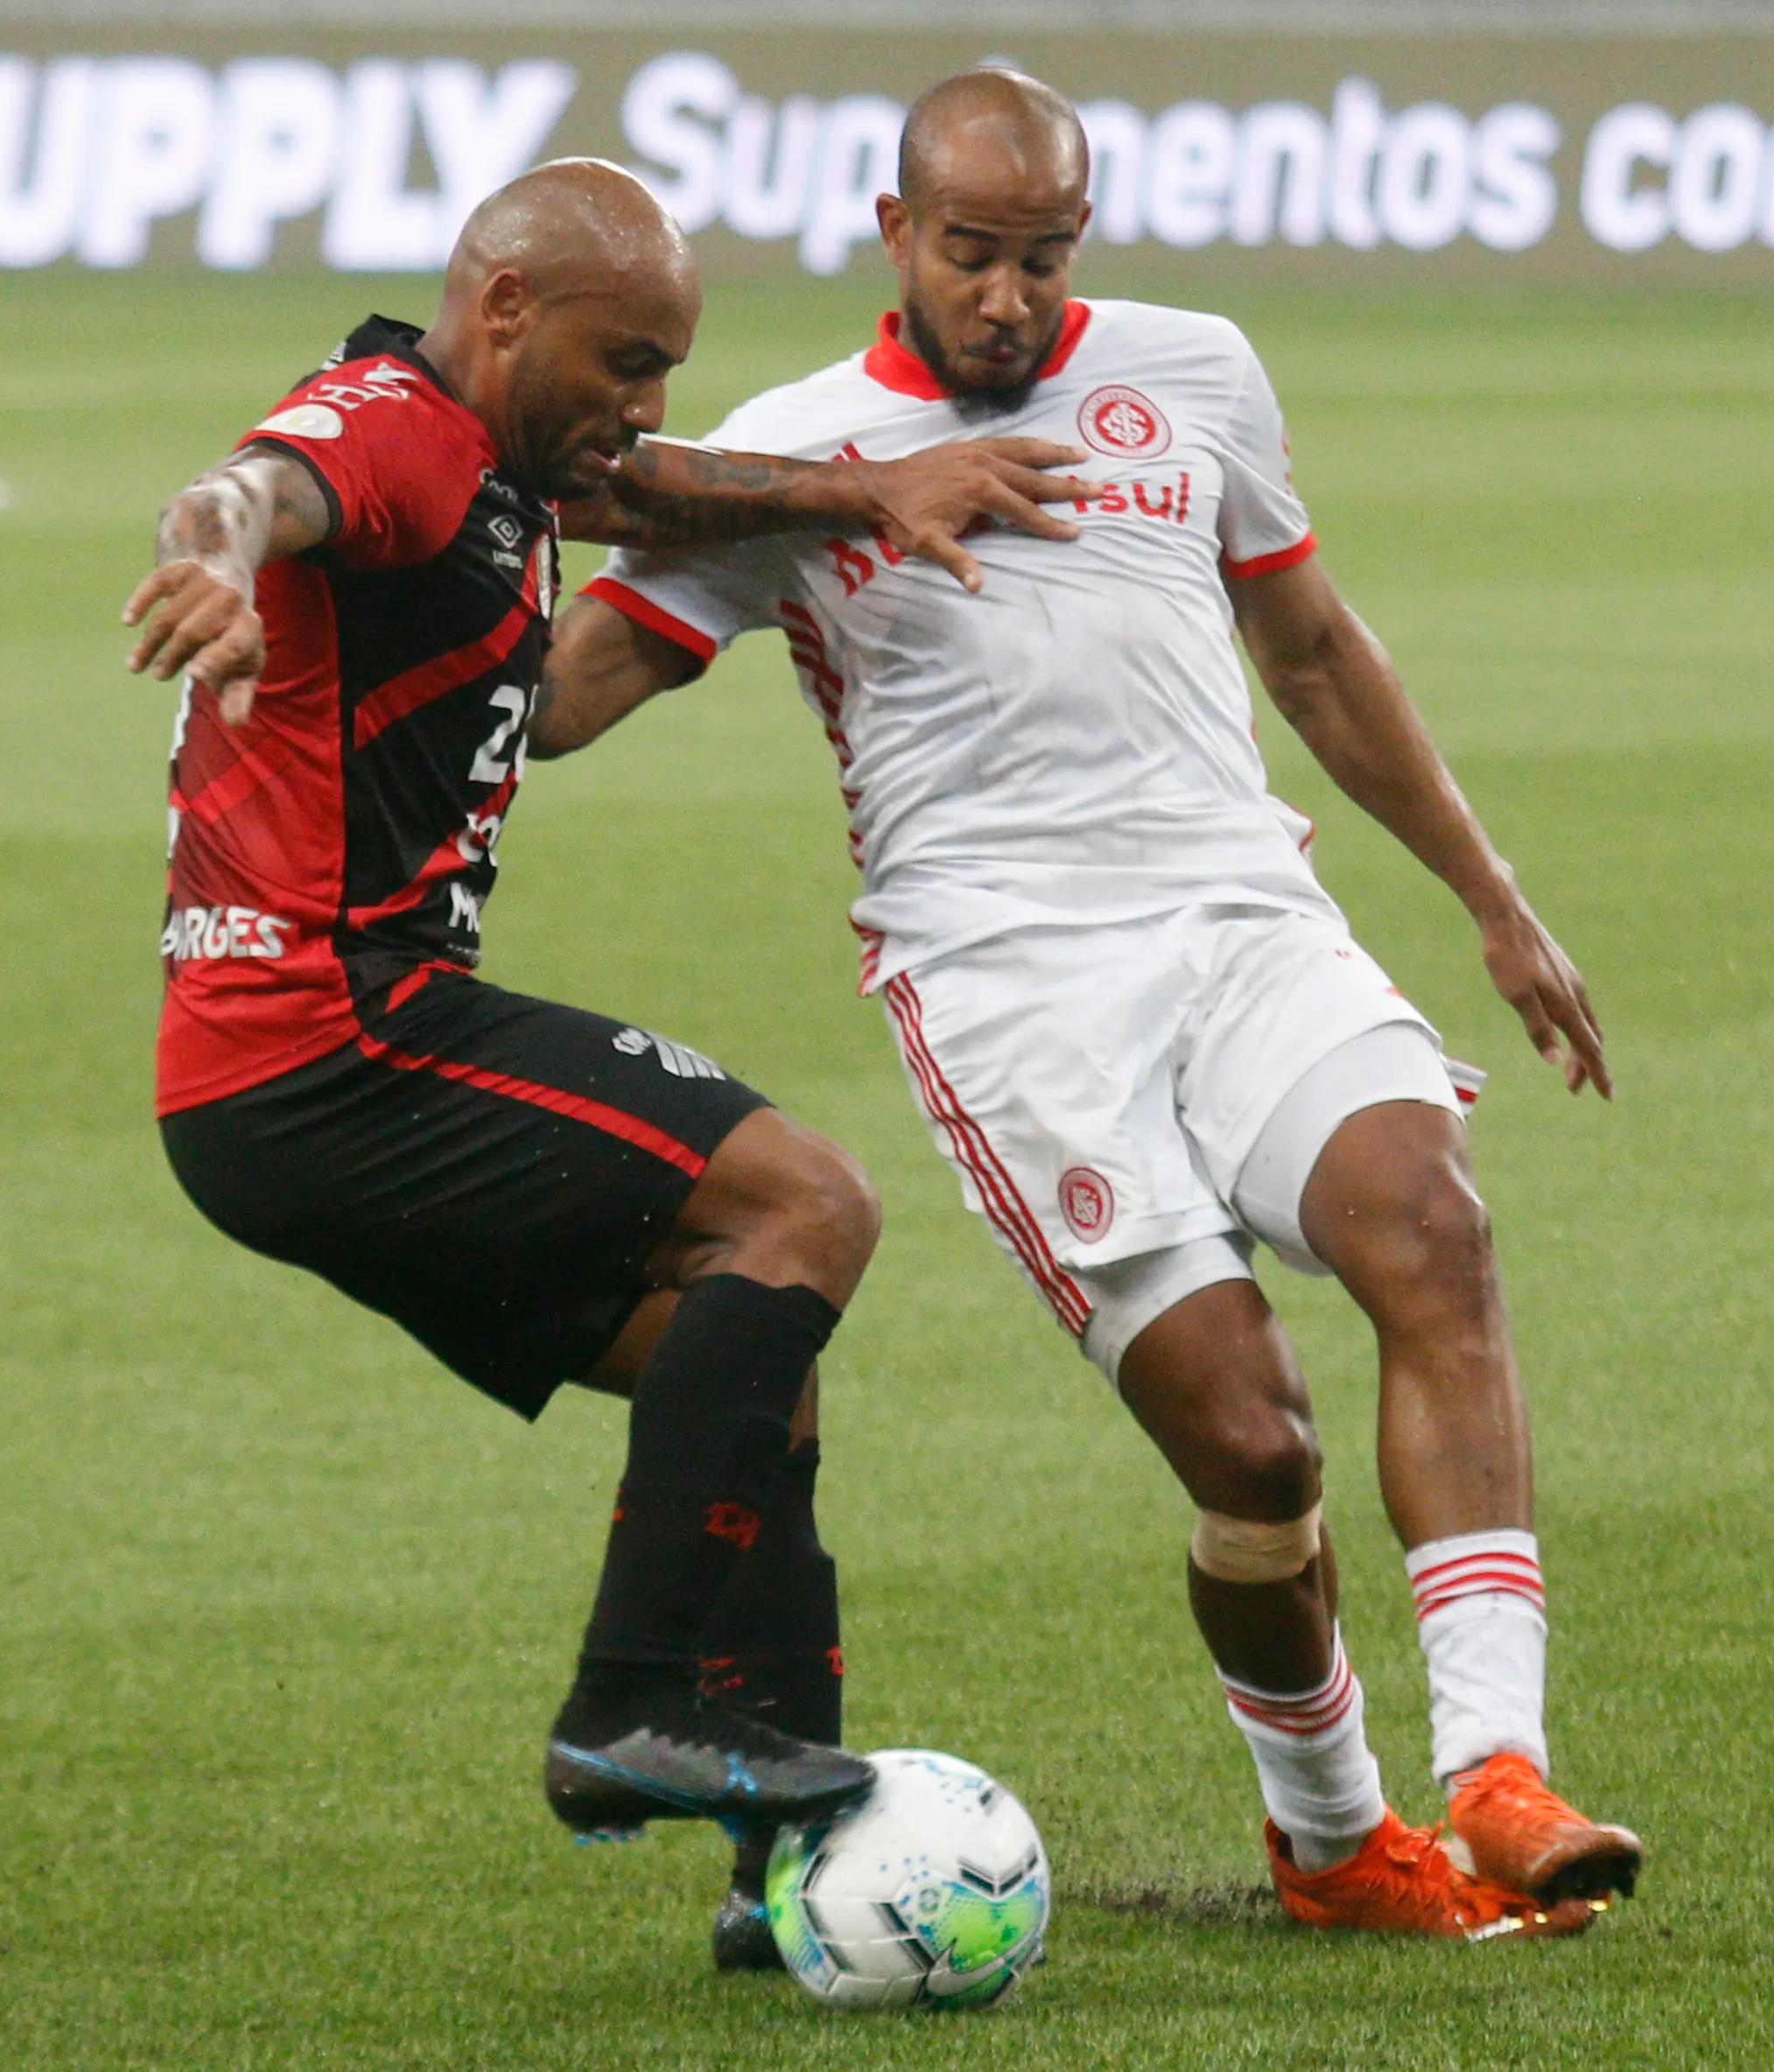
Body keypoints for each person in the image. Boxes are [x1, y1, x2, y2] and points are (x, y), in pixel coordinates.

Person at [537, 71, 1639, 1944]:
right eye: (970, 255)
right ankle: (1328, 1833)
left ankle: (1498, 1773)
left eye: (1043, 258)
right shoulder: (798, 452)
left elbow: (1309, 642)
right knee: (1255, 1444)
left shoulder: (1194, 371)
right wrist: (382, 630)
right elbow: (570, 691)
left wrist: (1491, 895)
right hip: (1009, 984)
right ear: (895, 233)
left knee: (1432, 1229)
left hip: (1240, 913)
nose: (1007, 300)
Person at [119, 157, 1093, 1967]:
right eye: (625, 358)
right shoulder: (399, 431)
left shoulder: (502, 457)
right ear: (503, 314)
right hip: (332, 1037)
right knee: (807, 1202)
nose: (643, 405)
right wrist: (214, 560)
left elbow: (642, 501)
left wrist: (855, 490)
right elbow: (249, 485)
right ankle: (630, 1709)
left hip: (285, 1069)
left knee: (742, 1351)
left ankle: (773, 1858)